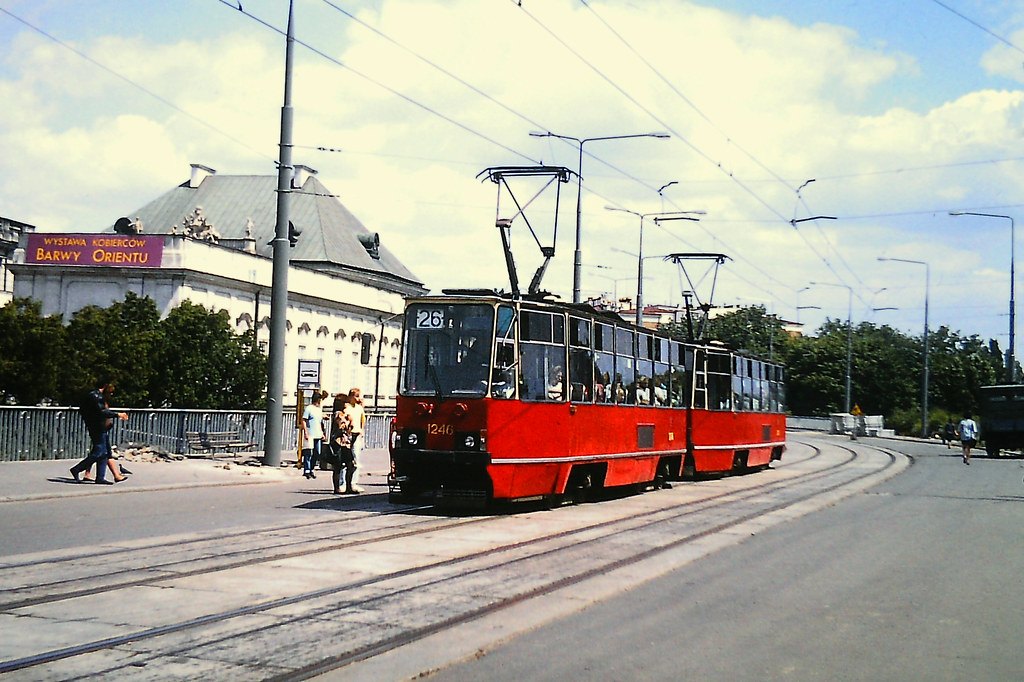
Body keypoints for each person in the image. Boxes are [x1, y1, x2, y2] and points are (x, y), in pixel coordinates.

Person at [70, 379, 128, 485]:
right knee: (99, 452)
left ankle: (100, 477)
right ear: (105, 388)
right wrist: (117, 414)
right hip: (96, 427)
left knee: (104, 453)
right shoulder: (95, 396)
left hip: (100, 427)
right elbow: (101, 412)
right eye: (110, 392)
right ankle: (77, 469)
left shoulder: (96, 396)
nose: (111, 394)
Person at [329, 393, 355, 494]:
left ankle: (349, 486)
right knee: (338, 466)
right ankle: (336, 488)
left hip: (346, 444)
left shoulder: (344, 414)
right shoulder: (338, 414)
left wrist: (350, 424)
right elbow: (341, 427)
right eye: (346, 402)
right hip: (338, 443)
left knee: (351, 464)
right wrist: (348, 421)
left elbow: (348, 430)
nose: (347, 404)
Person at [343, 387, 366, 493]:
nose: (358, 398)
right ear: (350, 397)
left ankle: (353, 483)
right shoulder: (346, 407)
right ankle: (342, 483)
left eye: (358, 396)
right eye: (356, 396)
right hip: (348, 435)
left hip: (357, 434)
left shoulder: (359, 408)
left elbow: (363, 420)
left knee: (356, 459)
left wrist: (361, 430)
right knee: (345, 460)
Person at [299, 390, 326, 479]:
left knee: (317, 452)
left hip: (318, 434)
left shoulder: (319, 410)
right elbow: (304, 420)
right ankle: (306, 470)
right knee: (308, 452)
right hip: (310, 434)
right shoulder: (309, 408)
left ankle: (311, 468)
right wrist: (306, 432)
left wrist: (322, 433)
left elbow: (320, 423)